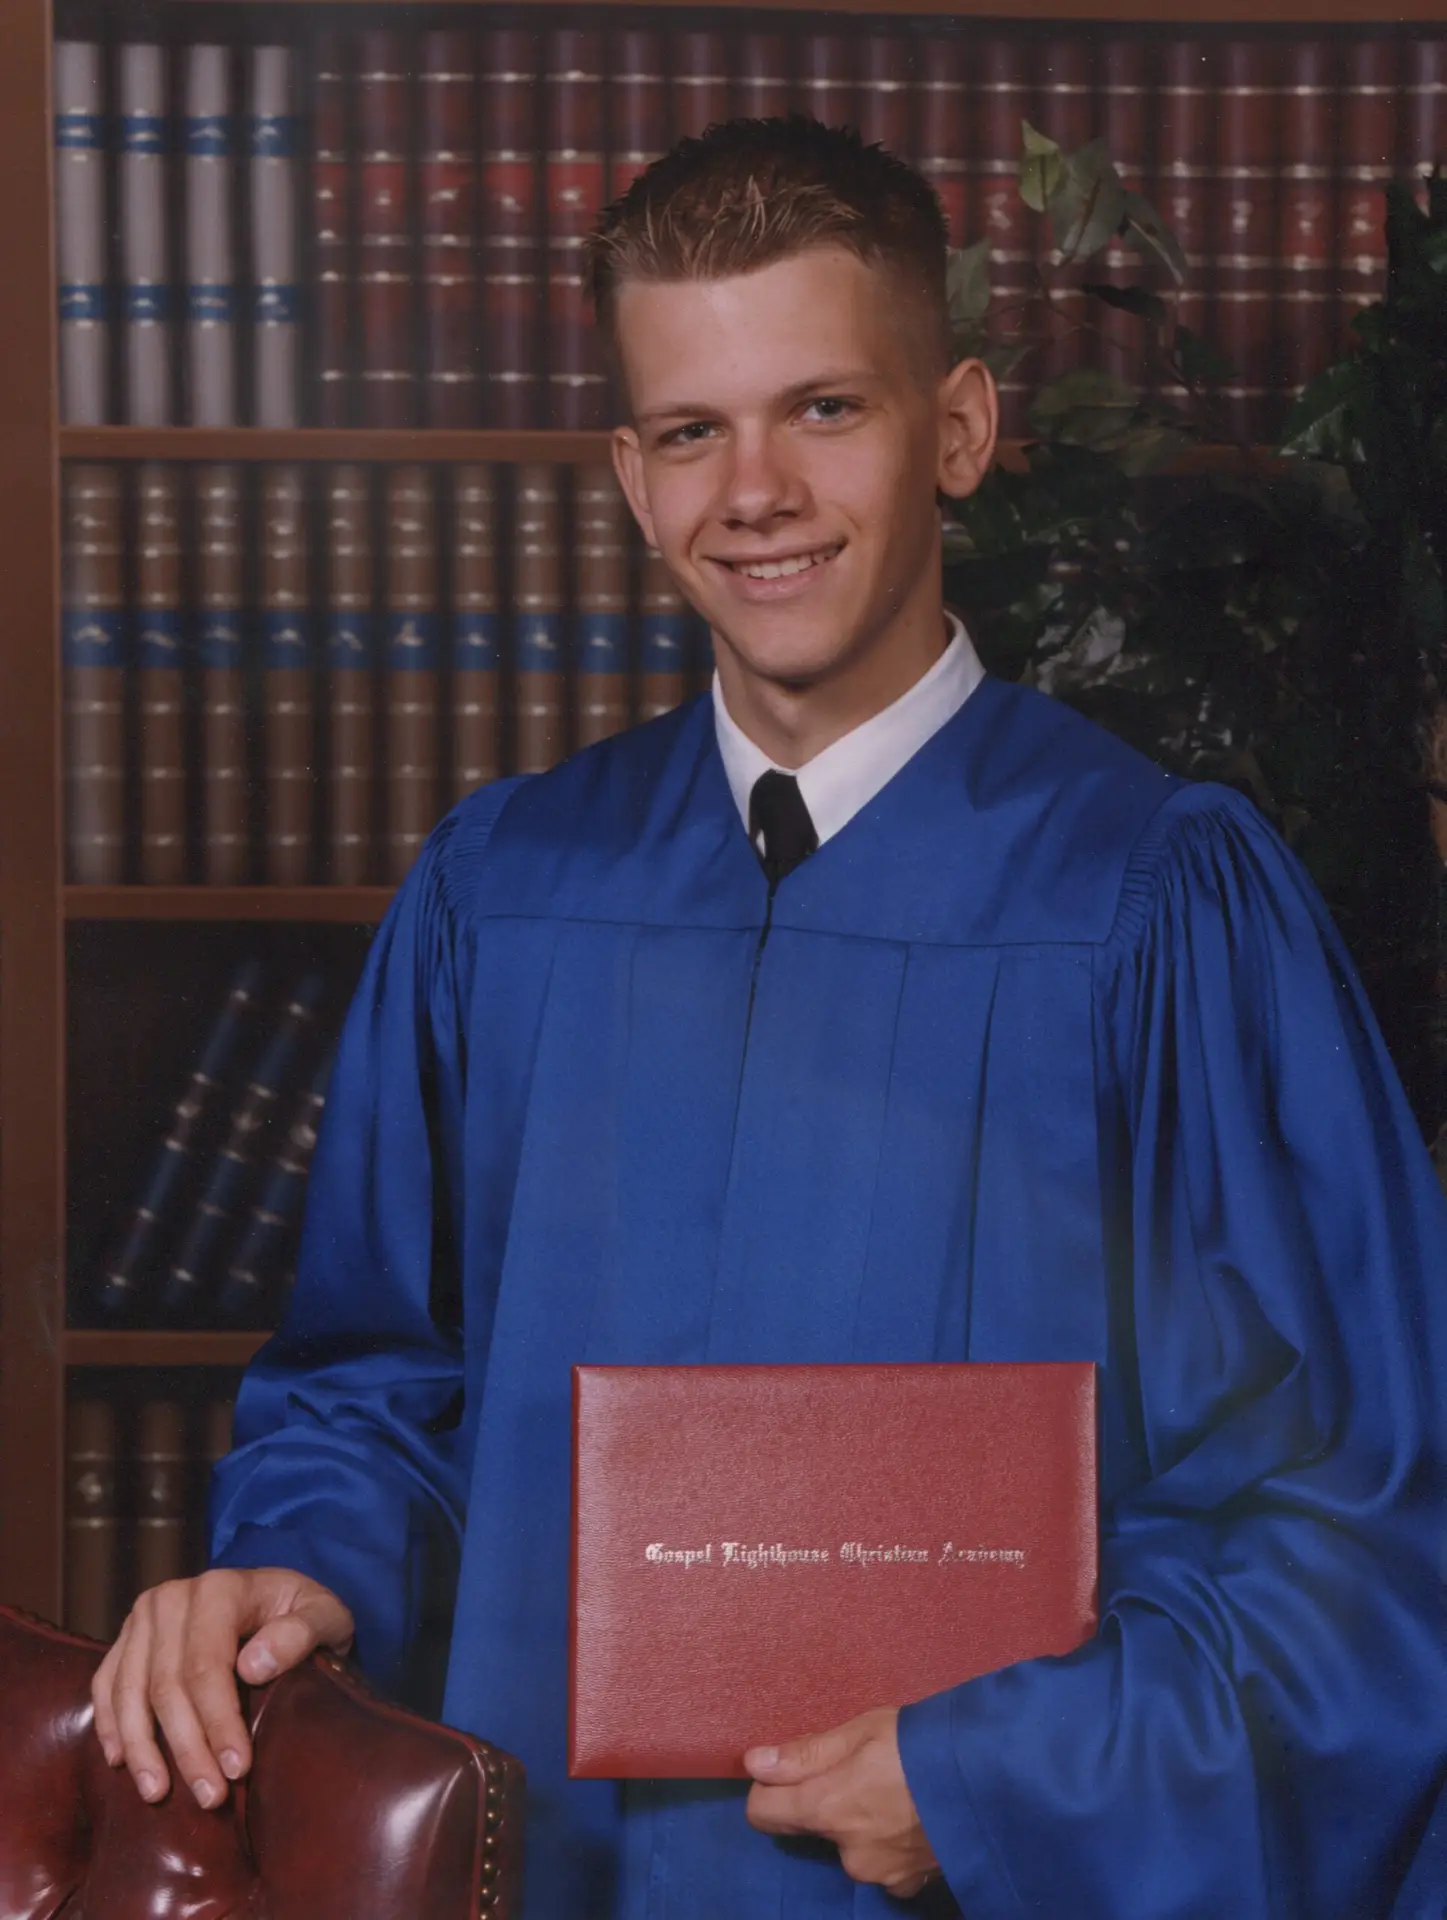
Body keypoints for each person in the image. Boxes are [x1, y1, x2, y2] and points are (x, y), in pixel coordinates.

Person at [93, 115, 1447, 1918]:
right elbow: (377, 1385)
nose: (754, 492)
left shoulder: (1148, 904)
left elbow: (1354, 1523)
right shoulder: (505, 894)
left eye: (822, 408)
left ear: (956, 429)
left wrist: (1004, 1784)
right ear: (629, 475)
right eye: (688, 430)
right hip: (543, 1877)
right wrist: (307, 1567)